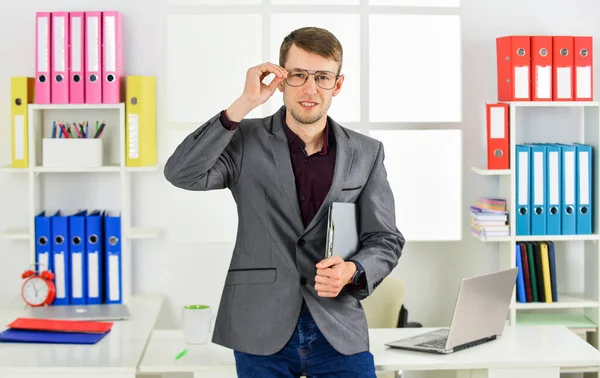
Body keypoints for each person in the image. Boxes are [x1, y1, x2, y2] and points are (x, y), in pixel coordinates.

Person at [164, 26, 405, 378]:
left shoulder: (365, 153)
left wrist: (353, 270)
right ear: (281, 80)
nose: (310, 89)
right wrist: (243, 104)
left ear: (337, 85)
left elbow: (386, 240)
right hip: (259, 324)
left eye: (322, 77)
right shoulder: (243, 139)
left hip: (337, 326)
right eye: (298, 75)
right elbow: (181, 173)